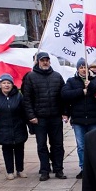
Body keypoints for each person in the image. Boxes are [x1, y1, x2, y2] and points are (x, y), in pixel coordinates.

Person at [22, 51, 67, 181]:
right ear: (38, 62)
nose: (45, 62)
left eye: (47, 60)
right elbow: (27, 99)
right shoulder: (30, 77)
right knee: (41, 145)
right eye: (42, 60)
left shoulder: (57, 76)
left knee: (57, 145)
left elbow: (63, 97)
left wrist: (65, 112)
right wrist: (31, 116)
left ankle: (58, 169)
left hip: (55, 117)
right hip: (39, 118)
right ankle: (44, 170)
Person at [61, 58, 96, 179]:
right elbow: (65, 94)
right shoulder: (71, 81)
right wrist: (81, 91)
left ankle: (95, 168)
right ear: (77, 69)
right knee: (81, 146)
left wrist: (90, 86)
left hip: (94, 119)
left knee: (95, 145)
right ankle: (84, 168)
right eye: (81, 67)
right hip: (78, 120)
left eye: (85, 67)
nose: (83, 70)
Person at [0, 74, 30, 179]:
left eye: (9, 83)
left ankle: (20, 170)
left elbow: (25, 112)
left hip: (18, 127)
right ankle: (9, 171)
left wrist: (30, 125)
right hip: (2, 128)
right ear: (0, 84)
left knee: (19, 149)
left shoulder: (19, 95)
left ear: (12, 85)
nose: (6, 85)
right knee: (7, 149)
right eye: (4, 83)